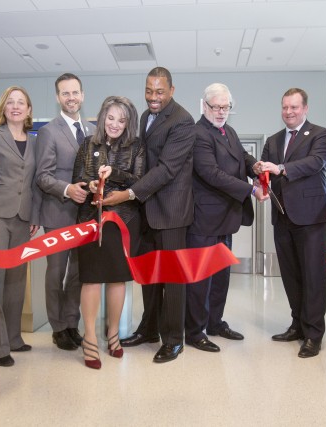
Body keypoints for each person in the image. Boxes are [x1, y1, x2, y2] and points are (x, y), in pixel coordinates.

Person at [103, 67, 196, 363]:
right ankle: (150, 328)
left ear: (171, 90)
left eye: (159, 91)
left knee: (172, 278)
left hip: (171, 212)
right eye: (148, 91)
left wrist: (129, 193)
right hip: (147, 210)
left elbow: (167, 169)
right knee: (150, 276)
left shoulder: (183, 121)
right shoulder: (145, 116)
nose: (153, 97)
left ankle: (174, 339)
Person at [185, 83, 268, 353]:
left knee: (221, 275)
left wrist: (254, 165)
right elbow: (211, 173)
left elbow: (241, 157)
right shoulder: (198, 133)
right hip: (204, 219)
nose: (221, 112)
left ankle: (214, 322)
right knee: (201, 279)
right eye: (216, 107)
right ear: (204, 106)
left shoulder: (228, 131)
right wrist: (251, 189)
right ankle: (195, 331)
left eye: (226, 107)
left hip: (226, 218)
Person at [72, 96, 145, 369]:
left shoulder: (137, 147)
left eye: (122, 120)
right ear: (103, 117)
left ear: (129, 123)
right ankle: (89, 336)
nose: (115, 124)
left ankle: (112, 333)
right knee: (90, 279)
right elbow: (77, 179)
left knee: (117, 279)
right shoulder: (87, 144)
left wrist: (114, 173)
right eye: (111, 118)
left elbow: (140, 181)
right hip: (90, 220)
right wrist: (90, 184)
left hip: (122, 222)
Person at [260, 87, 326, 358]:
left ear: (305, 108)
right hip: (282, 216)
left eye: (294, 107)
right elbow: (267, 172)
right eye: (285, 107)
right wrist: (260, 176)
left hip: (311, 216)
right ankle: (298, 325)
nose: (288, 112)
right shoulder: (274, 139)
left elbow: (315, 163)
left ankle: (314, 334)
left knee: (313, 276)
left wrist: (281, 168)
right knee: (290, 275)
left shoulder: (321, 135)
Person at [0, 86, 41, 367]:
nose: (15, 107)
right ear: (3, 108)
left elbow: (37, 182)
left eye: (21, 103)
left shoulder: (36, 141)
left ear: (28, 110)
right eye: (10, 102)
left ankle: (13, 337)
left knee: (16, 281)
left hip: (23, 216)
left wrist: (35, 214)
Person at [34, 73, 96, 351]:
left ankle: (72, 323)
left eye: (75, 93)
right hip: (58, 211)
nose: (71, 98)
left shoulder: (94, 131)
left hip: (85, 215)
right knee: (56, 272)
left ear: (82, 95)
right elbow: (43, 176)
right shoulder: (49, 131)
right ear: (58, 98)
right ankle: (57, 327)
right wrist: (67, 189)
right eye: (65, 93)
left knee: (78, 273)